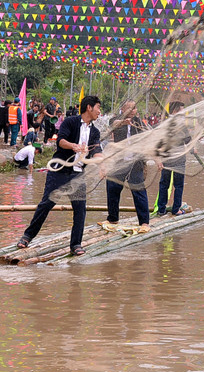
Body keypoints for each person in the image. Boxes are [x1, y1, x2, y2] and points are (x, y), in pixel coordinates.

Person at [15, 96, 104, 255]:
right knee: (46, 204)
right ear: (89, 107)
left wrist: (102, 162)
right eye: (98, 107)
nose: (99, 111)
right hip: (59, 170)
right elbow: (61, 141)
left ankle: (76, 245)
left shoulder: (95, 131)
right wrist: (74, 147)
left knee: (80, 209)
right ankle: (27, 236)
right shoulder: (70, 122)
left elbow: (96, 151)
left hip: (77, 174)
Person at [102, 99, 150, 231]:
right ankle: (113, 218)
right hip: (119, 163)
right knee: (112, 188)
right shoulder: (115, 120)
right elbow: (113, 125)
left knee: (138, 190)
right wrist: (124, 122)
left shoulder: (139, 122)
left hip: (135, 163)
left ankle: (144, 222)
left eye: (134, 108)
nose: (133, 111)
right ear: (122, 109)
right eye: (129, 108)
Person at [156, 101, 191, 216]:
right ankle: (175, 209)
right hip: (174, 158)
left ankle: (163, 209)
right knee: (176, 184)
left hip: (172, 157)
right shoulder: (177, 124)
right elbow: (187, 139)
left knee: (166, 184)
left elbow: (187, 140)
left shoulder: (167, 123)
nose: (183, 112)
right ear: (175, 111)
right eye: (181, 110)